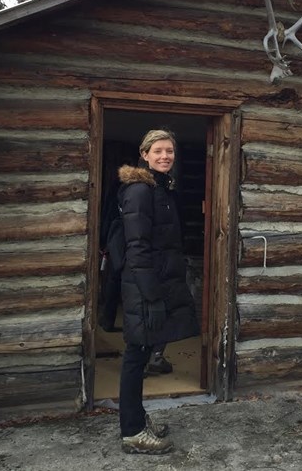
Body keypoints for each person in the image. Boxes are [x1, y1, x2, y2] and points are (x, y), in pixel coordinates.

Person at [117, 129, 200, 455]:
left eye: (169, 151)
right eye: (158, 151)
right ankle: (133, 433)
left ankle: (136, 419)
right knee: (135, 356)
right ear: (145, 153)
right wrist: (151, 297)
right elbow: (137, 248)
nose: (165, 156)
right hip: (143, 287)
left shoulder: (159, 189)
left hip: (152, 285)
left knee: (139, 354)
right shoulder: (140, 191)